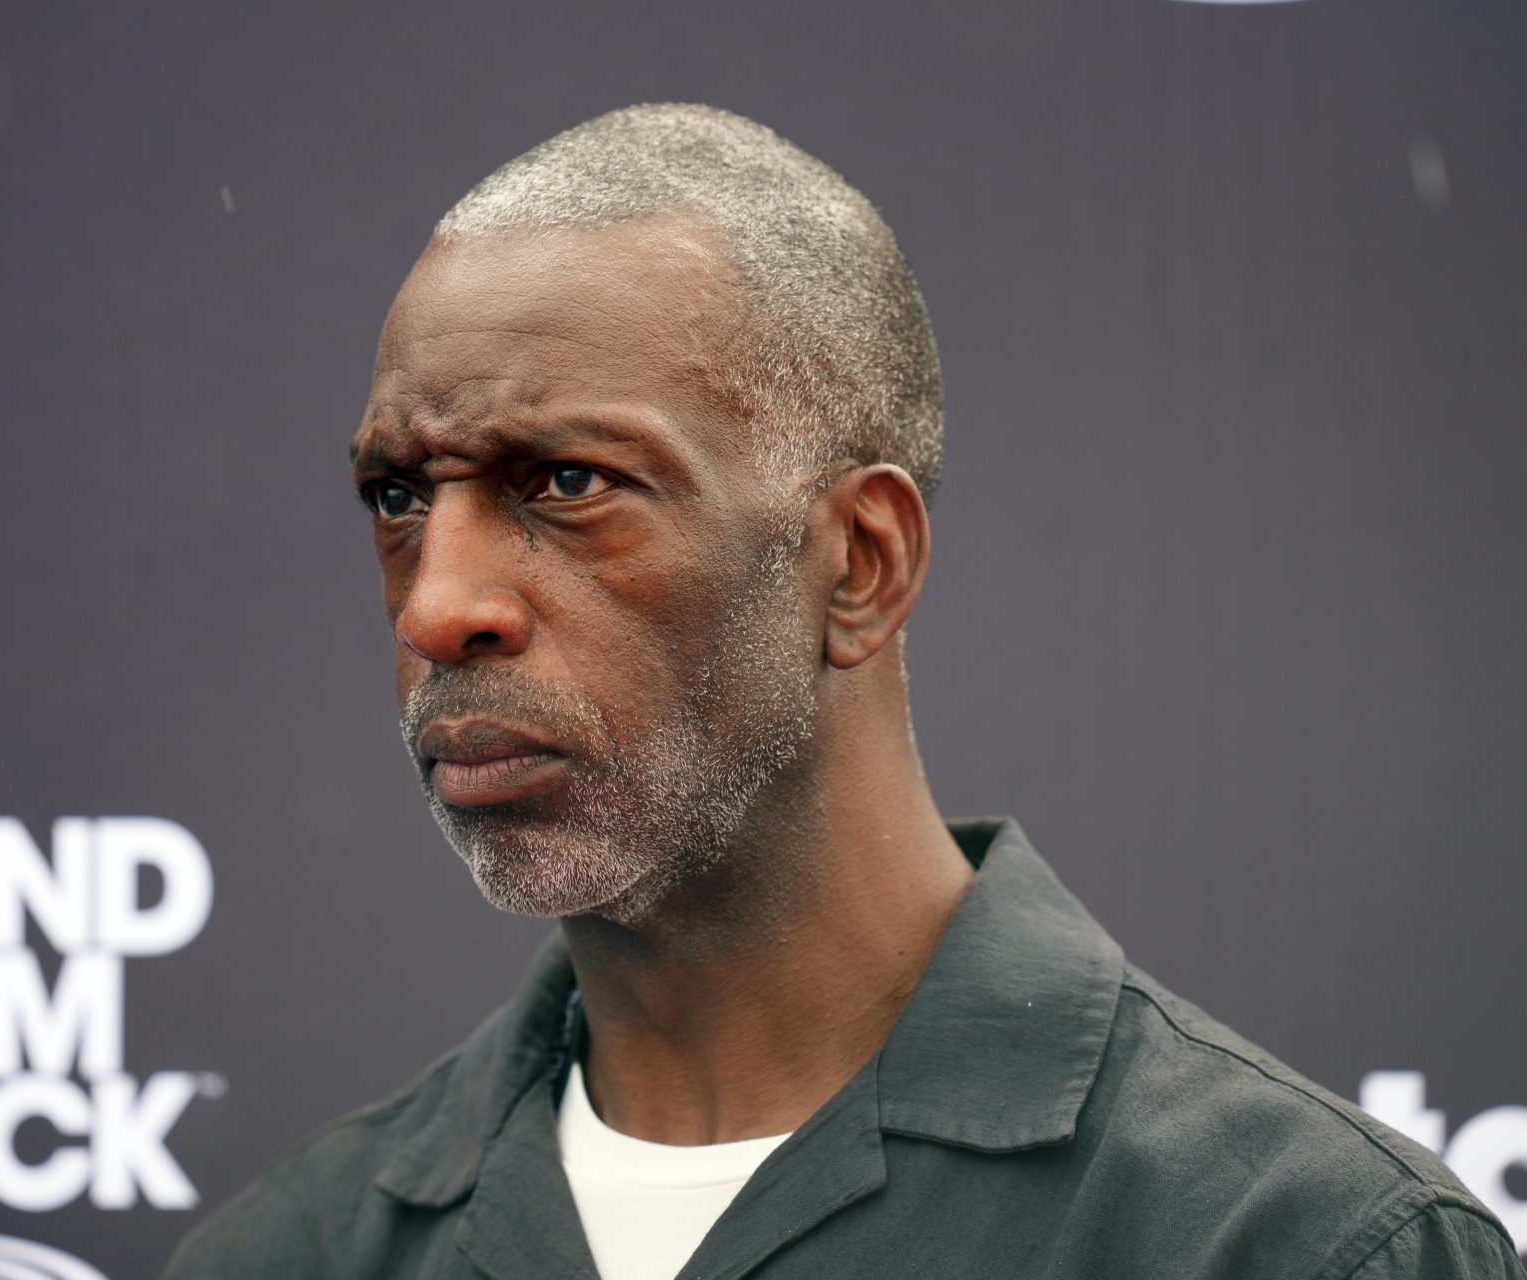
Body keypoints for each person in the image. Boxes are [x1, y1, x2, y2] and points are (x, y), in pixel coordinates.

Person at [163, 104, 1520, 1280]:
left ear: (861, 561)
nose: (434, 603)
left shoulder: (1302, 1249)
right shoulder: (289, 1255)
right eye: (398, 497)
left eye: (568, 484)